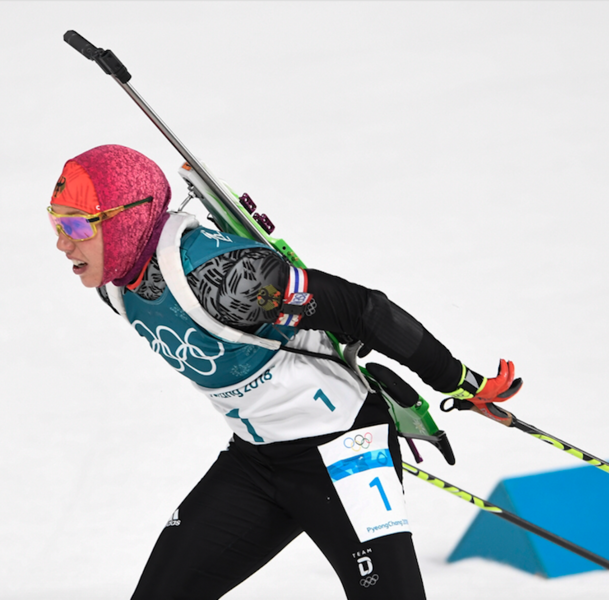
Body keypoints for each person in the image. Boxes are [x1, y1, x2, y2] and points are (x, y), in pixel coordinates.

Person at [48, 144, 520, 600]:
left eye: (75, 224)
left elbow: (363, 311)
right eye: (55, 221)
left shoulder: (229, 280)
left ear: (129, 217)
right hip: (256, 462)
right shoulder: (115, 287)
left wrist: (459, 379)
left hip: (344, 452)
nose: (61, 241)